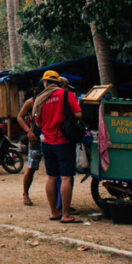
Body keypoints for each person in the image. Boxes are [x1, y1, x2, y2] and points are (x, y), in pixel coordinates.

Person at [34, 70, 82, 223]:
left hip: (47, 143)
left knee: (51, 177)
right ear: (58, 82)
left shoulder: (39, 99)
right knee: (66, 177)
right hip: (64, 142)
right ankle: (66, 214)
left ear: (45, 83)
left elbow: (38, 123)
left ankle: (54, 212)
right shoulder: (66, 95)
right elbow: (79, 114)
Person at [17, 86, 42, 207]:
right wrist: (28, 131)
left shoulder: (48, 100)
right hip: (35, 138)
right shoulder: (31, 102)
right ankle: (25, 193)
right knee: (31, 167)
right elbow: (19, 117)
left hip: (49, 136)